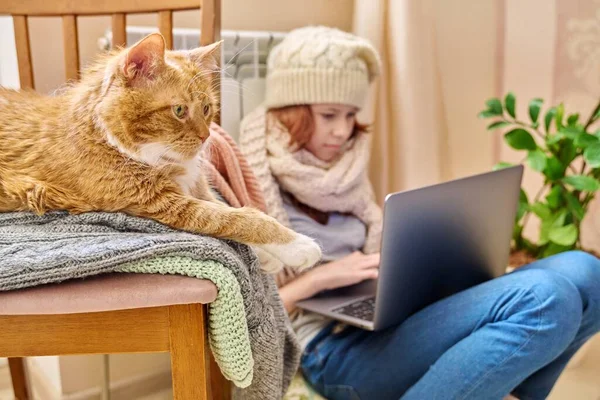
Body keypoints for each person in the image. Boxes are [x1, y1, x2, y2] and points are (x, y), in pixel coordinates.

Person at [238, 25, 600, 400]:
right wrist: (320, 279)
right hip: (328, 347)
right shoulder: (246, 177)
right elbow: (241, 315)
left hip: (387, 321)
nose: (343, 132)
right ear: (289, 111)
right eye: (329, 115)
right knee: (545, 298)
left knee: (589, 273)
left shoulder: (344, 176)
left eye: (350, 115)